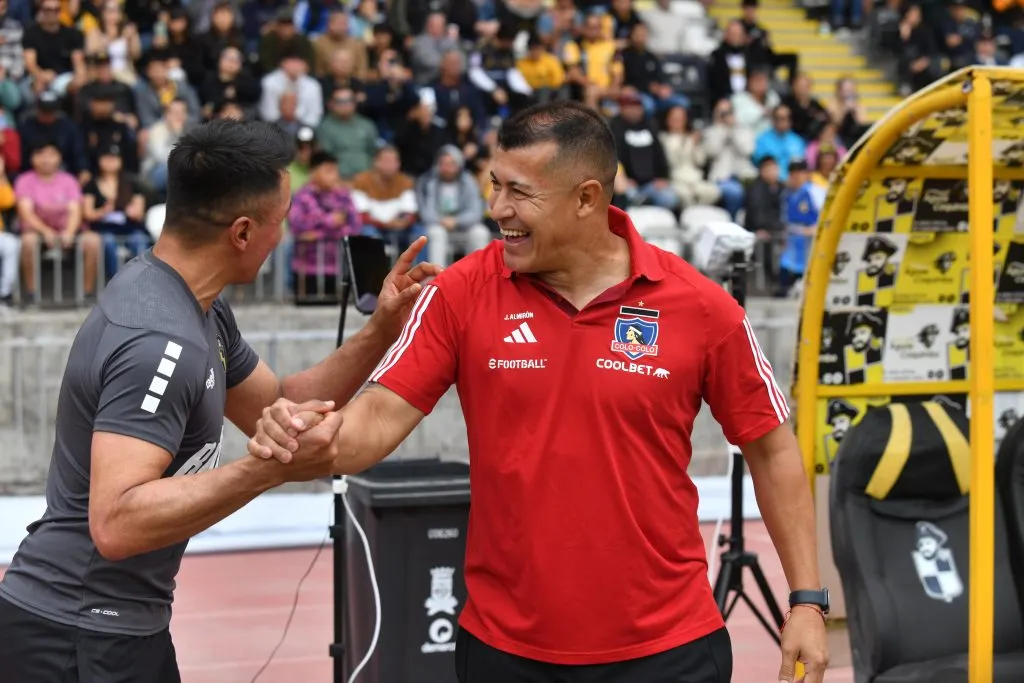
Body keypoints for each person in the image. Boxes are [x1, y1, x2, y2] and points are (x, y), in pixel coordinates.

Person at [249, 102, 830, 683]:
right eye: (494, 184)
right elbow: (375, 417)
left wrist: (806, 600)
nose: (499, 210)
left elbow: (773, 450)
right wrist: (316, 436)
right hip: (505, 653)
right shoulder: (459, 292)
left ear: (586, 197)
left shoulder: (700, 305)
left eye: (520, 193)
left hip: (668, 652)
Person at [0, 119, 440, 682]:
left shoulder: (191, 300)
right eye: (279, 223)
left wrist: (381, 328)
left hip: (121, 626)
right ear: (241, 232)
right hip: (74, 635)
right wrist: (266, 471)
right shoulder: (158, 341)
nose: (282, 236)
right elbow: (116, 522)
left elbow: (279, 400)